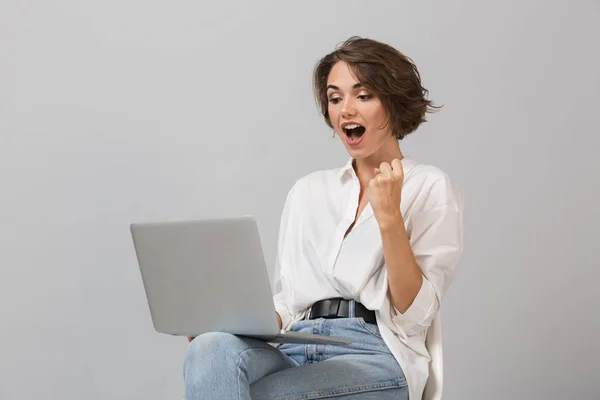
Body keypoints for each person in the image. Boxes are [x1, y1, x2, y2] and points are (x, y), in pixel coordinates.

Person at [183, 36, 463, 400]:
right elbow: (289, 301)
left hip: (376, 353)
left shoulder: (429, 187)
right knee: (208, 350)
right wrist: (225, 324)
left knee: (261, 395)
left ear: (393, 104)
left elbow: (416, 315)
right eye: (335, 98)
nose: (346, 109)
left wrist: (390, 218)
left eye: (363, 96)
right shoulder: (307, 191)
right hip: (295, 344)